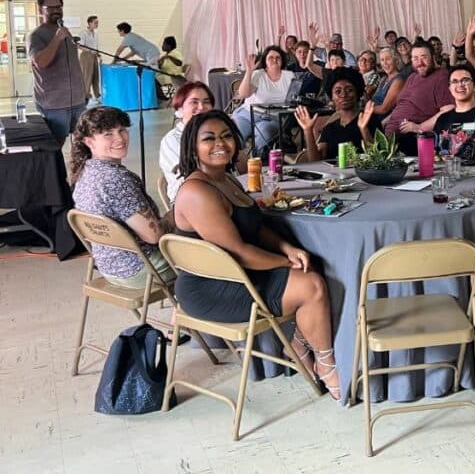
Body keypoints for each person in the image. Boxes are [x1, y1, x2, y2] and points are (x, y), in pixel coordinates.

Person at [173, 110, 340, 398]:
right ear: (192, 147)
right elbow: (238, 253)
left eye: (226, 136)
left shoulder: (225, 179)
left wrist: (287, 248)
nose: (220, 144)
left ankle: (299, 345)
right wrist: (286, 262)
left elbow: (257, 228)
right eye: (209, 138)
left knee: (311, 268)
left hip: (238, 274)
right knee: (312, 285)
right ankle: (326, 364)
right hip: (213, 287)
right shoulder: (197, 191)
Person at [71, 106, 174, 289]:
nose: (119, 138)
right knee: (212, 258)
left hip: (109, 267)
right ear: (89, 141)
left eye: (122, 130)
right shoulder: (117, 180)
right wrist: (174, 215)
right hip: (142, 270)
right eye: (108, 134)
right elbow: (154, 235)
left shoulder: (85, 171)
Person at [29, 0, 87, 147]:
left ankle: (78, 171)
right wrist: (57, 38)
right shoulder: (36, 35)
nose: (56, 10)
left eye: (59, 7)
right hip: (54, 104)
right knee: (55, 146)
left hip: (78, 101)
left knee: (82, 145)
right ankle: (56, 172)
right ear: (41, 10)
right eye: (50, 7)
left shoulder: (65, 31)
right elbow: (40, 62)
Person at [295, 68, 380, 162]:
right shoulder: (330, 128)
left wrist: (364, 129)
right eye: (338, 91)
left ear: (357, 93)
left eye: (349, 90)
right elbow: (316, 162)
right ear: (332, 97)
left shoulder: (371, 121)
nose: (343, 95)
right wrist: (308, 131)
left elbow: (378, 160)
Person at [384, 41, 453, 155]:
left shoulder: (441, 77)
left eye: (424, 57)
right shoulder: (412, 76)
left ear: (433, 57)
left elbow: (448, 110)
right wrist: (382, 123)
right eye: (415, 58)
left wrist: (419, 127)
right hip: (390, 137)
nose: (420, 63)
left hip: (411, 139)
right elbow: (402, 105)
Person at [231, 46, 295, 157]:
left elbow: (293, 100)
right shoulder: (258, 74)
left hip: (272, 118)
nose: (274, 60)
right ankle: (234, 164)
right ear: (265, 61)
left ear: (282, 60)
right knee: (236, 135)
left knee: (265, 133)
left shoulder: (289, 76)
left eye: (278, 58)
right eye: (271, 58)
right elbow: (243, 94)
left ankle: (254, 162)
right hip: (248, 114)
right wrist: (249, 72)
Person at [159, 82, 216, 204]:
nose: (201, 107)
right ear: (180, 108)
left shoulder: (216, 133)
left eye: (206, 102)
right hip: (190, 201)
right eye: (194, 102)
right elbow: (190, 175)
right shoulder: (172, 140)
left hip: (221, 191)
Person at [370, 47, 405, 116]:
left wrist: (364, 109)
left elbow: (384, 109)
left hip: (382, 119)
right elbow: (373, 99)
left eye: (388, 59)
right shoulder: (383, 79)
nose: (385, 63)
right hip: (371, 113)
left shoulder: (398, 80)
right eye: (382, 60)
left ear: (396, 60)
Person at [79, 15, 101, 105]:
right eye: (95, 22)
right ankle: (87, 97)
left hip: (94, 56)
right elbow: (79, 45)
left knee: (96, 76)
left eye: (97, 23)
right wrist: (90, 50)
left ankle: (97, 96)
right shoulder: (83, 33)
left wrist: (98, 55)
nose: (97, 24)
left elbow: (95, 47)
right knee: (87, 77)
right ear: (89, 23)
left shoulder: (96, 34)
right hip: (86, 56)